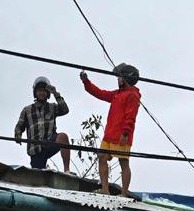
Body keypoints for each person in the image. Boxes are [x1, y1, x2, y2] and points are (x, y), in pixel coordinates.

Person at [79, 64, 141, 195]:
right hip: (109, 134)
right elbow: (100, 93)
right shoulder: (117, 94)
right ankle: (105, 189)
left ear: (125, 79)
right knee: (101, 156)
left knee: (123, 162)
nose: (117, 80)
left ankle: (124, 193)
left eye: (119, 77)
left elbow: (131, 116)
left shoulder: (133, 95)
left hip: (121, 135)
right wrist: (86, 82)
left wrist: (125, 133)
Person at [14, 76, 72, 172]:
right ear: (35, 93)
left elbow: (65, 110)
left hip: (49, 142)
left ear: (48, 93)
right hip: (35, 148)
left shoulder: (52, 107)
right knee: (37, 175)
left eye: (44, 91)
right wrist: (18, 135)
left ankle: (67, 170)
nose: (42, 93)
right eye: (39, 90)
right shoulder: (27, 110)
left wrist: (55, 93)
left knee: (63, 137)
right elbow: (19, 126)